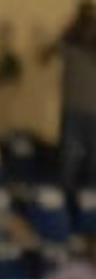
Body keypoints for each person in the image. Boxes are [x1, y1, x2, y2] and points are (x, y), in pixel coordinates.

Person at [42, 2, 96, 189]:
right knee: (68, 162)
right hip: (72, 110)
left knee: (93, 163)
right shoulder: (69, 47)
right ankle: (67, 207)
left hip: (93, 114)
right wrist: (65, 33)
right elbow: (44, 56)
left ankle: (90, 210)